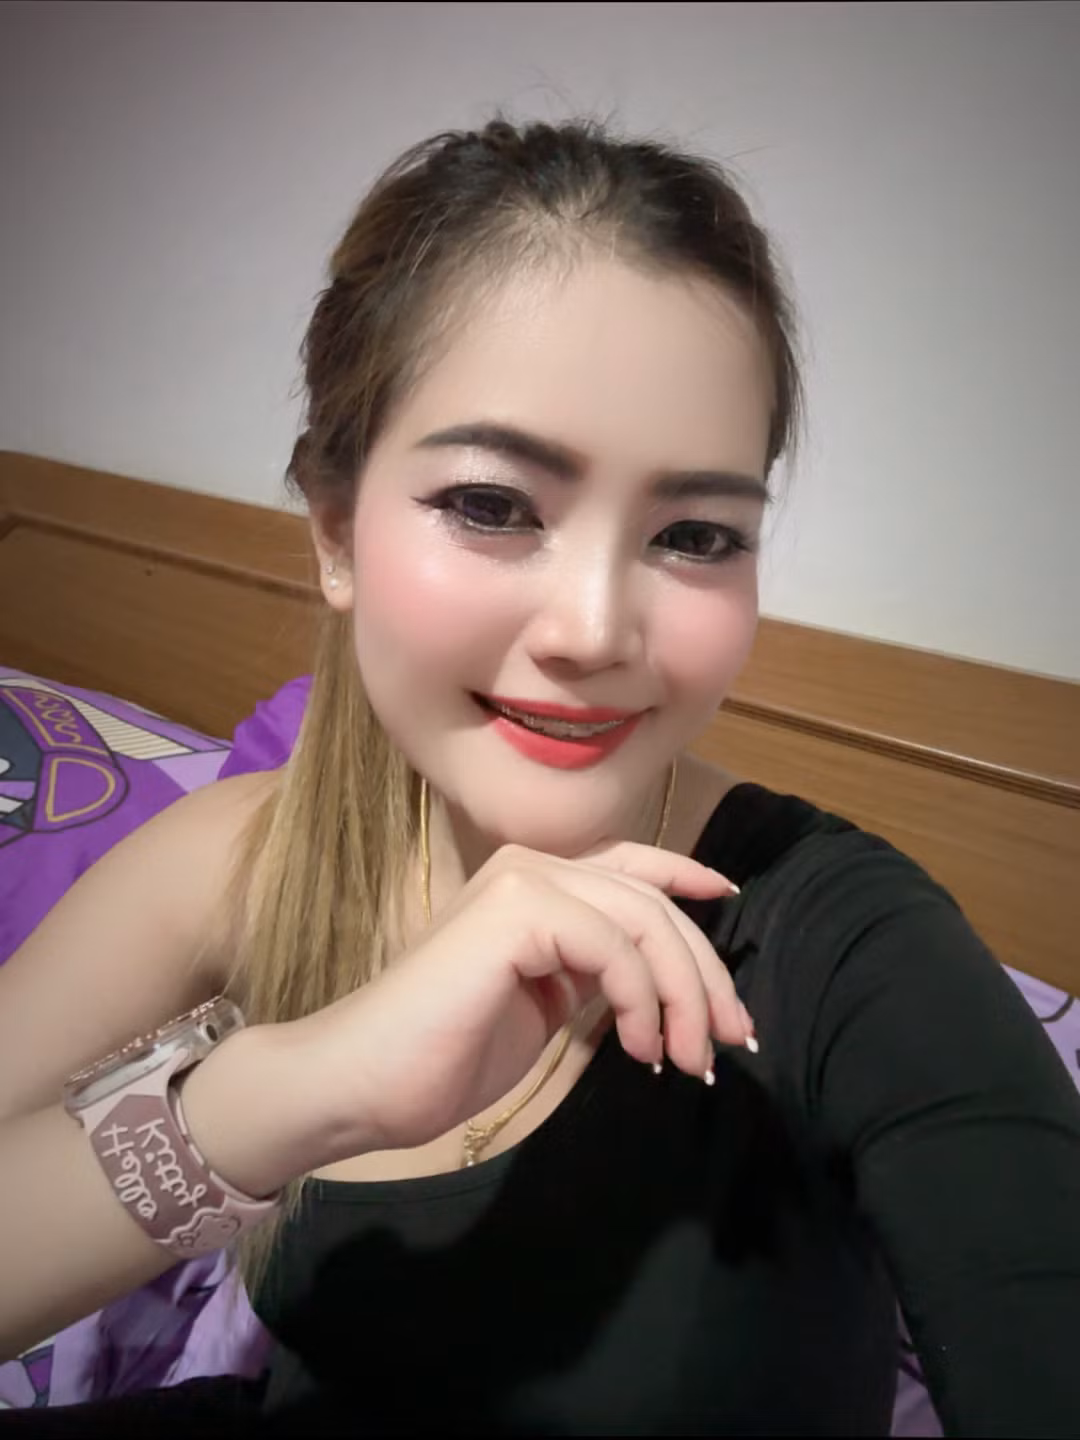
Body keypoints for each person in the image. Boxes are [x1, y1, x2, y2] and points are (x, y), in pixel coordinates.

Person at [1, 114, 1078, 1438]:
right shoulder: (246, 857)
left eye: (695, 534)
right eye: (492, 505)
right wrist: (296, 1088)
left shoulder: (840, 941)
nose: (592, 631)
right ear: (335, 532)